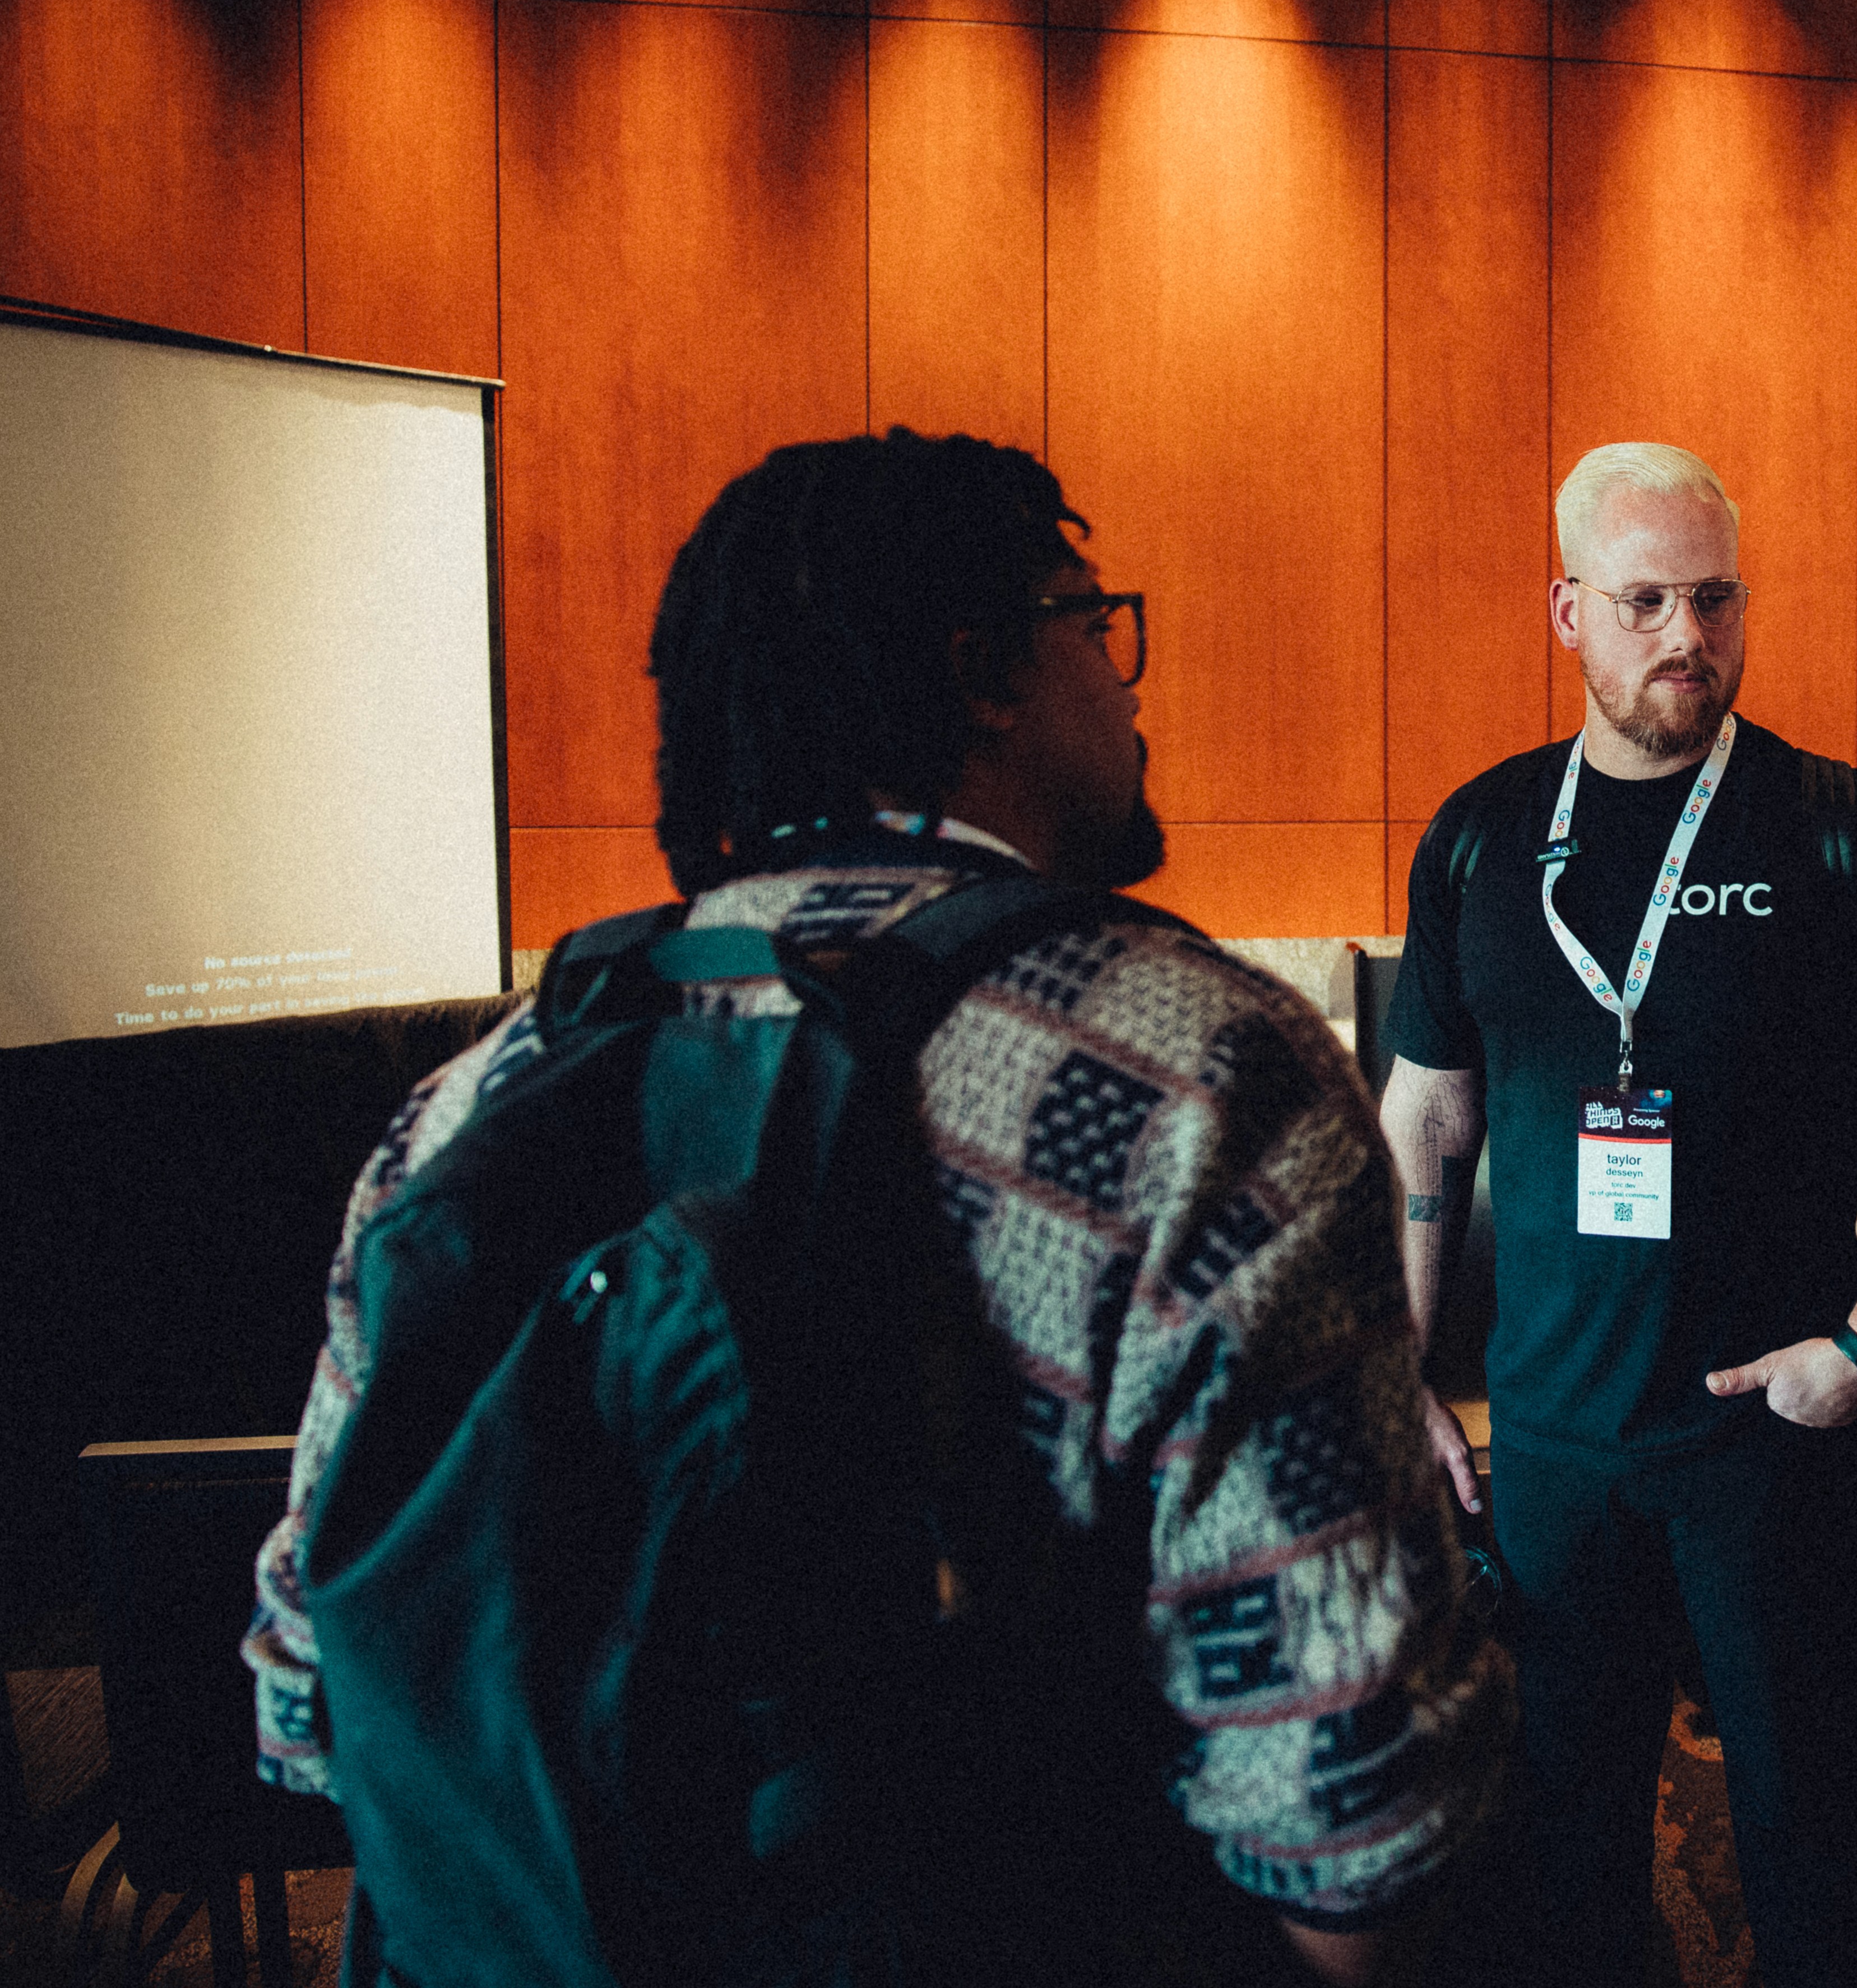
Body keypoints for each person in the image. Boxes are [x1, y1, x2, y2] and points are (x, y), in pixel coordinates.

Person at [246, 430, 1509, 1985]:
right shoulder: (1203, 1077)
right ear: (985, 674)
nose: (1128, 687)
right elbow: (1357, 1835)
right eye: (1092, 626)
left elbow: (311, 1706)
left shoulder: (474, 1101)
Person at [1378, 441, 1857, 1988]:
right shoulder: (1483, 837)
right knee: (1563, 1844)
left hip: (1778, 1423)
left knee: (1803, 1834)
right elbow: (1428, 1114)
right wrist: (1392, 1368)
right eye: (1642, 601)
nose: (1682, 637)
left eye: (1712, 600)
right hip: (1557, 1437)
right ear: (1566, 610)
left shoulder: (1848, 832)